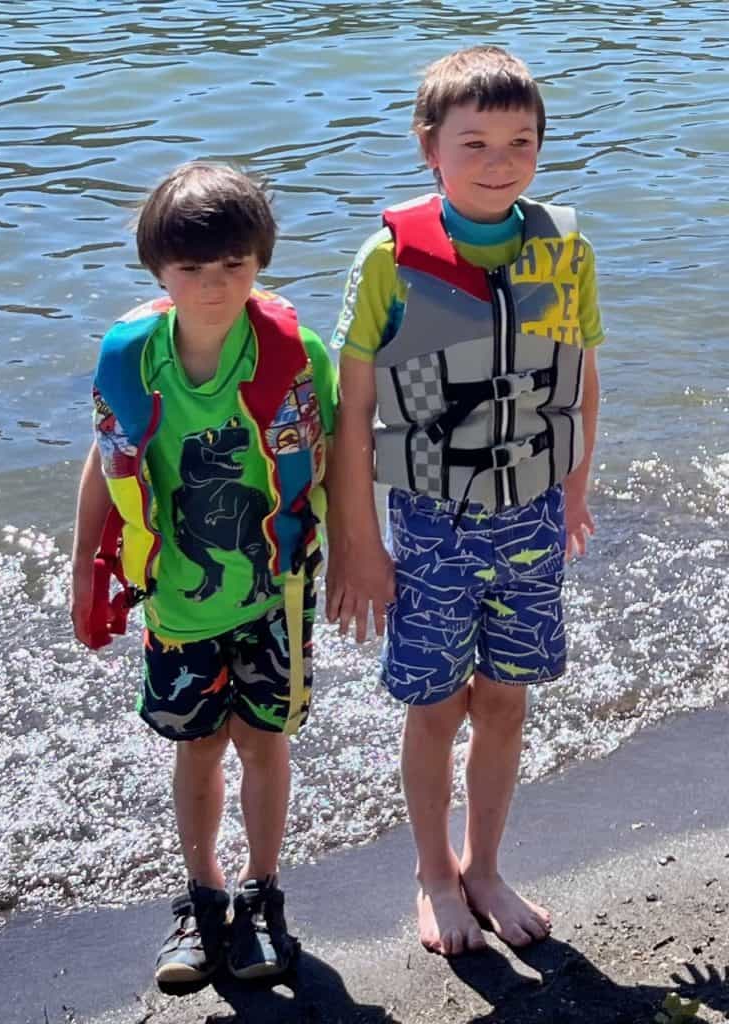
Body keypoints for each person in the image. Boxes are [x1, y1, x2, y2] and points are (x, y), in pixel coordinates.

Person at [326, 46, 603, 957]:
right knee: (435, 705)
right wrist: (360, 545)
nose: (499, 161)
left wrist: (573, 490)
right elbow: (355, 412)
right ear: (428, 149)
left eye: (521, 141)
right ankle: (433, 873)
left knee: (507, 701)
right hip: (431, 525)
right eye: (474, 142)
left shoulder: (565, 250)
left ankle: (486, 865)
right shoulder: (387, 259)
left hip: (530, 517)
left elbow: (583, 382)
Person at [70, 162, 337, 993]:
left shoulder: (299, 356)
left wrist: (365, 555)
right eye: (191, 268)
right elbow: (104, 458)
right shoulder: (131, 359)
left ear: (260, 260)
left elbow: (336, 465)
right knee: (198, 748)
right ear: (158, 270)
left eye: (233, 265)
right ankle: (203, 898)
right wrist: (86, 566)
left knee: (265, 743)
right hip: (178, 601)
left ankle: (262, 894)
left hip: (277, 595)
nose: (214, 285)